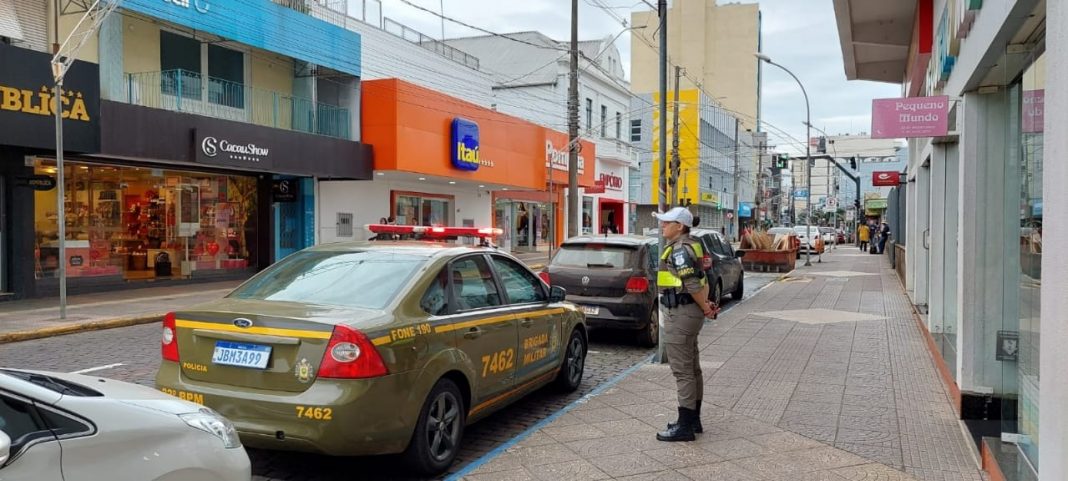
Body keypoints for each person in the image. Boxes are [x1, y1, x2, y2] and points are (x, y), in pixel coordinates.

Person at [653, 207, 717, 442]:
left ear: (679, 226)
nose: (662, 226)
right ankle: (693, 420)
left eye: (666, 222)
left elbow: (691, 284)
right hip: (688, 313)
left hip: (680, 314)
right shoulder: (692, 244)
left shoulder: (679, 250)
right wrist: (705, 304)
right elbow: (703, 279)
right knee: (692, 368)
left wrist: (706, 307)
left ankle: (685, 426)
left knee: (682, 371)